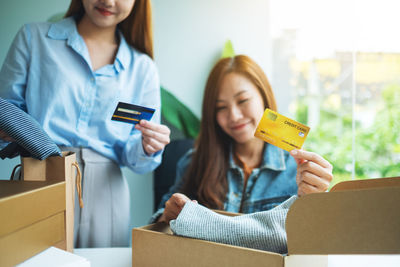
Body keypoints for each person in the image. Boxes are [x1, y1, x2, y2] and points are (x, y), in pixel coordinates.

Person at [0, 0, 170, 248]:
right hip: (41, 175)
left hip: (107, 195)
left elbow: (134, 155)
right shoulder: (32, 38)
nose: (108, 1)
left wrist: (148, 146)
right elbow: (7, 111)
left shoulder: (143, 68)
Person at [152, 55, 332, 224]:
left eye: (243, 100)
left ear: (264, 96)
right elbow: (156, 227)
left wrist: (316, 201)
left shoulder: (299, 170)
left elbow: (314, 239)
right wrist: (167, 216)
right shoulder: (193, 162)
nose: (234, 116)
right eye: (221, 107)